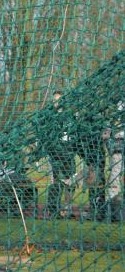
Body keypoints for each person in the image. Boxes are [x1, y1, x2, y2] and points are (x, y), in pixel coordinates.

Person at [41, 91, 78, 219]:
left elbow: (75, 133)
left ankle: (67, 208)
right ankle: (54, 210)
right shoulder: (49, 116)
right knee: (55, 182)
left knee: (70, 181)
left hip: (68, 152)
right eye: (55, 99)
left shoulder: (71, 116)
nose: (57, 102)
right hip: (55, 153)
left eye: (59, 99)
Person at [103, 100, 124, 222]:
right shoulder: (111, 123)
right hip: (117, 154)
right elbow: (105, 137)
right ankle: (112, 214)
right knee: (114, 182)